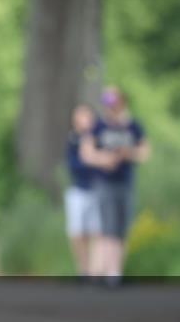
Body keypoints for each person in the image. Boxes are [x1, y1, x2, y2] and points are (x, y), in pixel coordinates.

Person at [81, 86, 151, 287]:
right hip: (105, 183)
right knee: (109, 228)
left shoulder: (133, 126)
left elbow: (145, 152)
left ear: (122, 103)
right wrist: (104, 159)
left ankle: (116, 269)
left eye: (114, 104)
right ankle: (112, 273)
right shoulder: (99, 127)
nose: (111, 108)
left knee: (122, 229)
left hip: (126, 182)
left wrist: (128, 153)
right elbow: (87, 153)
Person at [64, 104, 100, 279]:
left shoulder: (98, 138)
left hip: (97, 190)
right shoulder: (73, 140)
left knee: (95, 232)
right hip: (78, 189)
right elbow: (73, 165)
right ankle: (83, 269)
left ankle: (95, 270)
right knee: (77, 233)